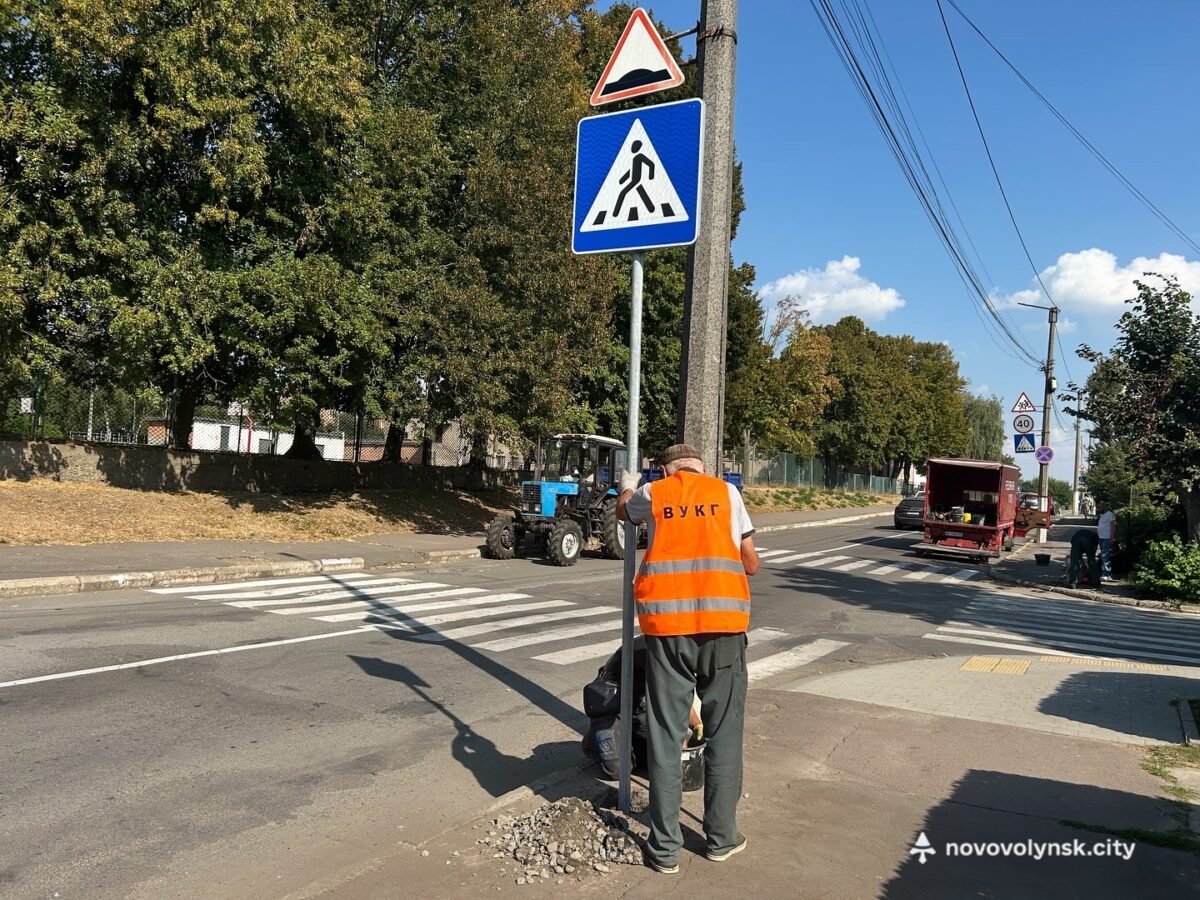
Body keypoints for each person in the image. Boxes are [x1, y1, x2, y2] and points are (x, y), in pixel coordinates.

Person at [617, 443, 760, 874]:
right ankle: (720, 839)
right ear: (703, 468)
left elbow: (626, 510)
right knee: (724, 733)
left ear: (666, 469)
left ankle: (664, 852)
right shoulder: (727, 494)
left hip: (668, 631)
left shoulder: (656, 493)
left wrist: (627, 488)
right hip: (723, 630)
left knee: (665, 734)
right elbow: (750, 564)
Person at [1097, 501, 1117, 579]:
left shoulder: (1110, 514)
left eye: (1099, 508)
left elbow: (1113, 526)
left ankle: (1107, 573)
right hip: (1101, 537)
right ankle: (1104, 572)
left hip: (1106, 537)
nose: (1098, 509)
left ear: (1104, 507)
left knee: (1105, 555)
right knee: (1103, 555)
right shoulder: (1102, 515)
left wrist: (1112, 537)